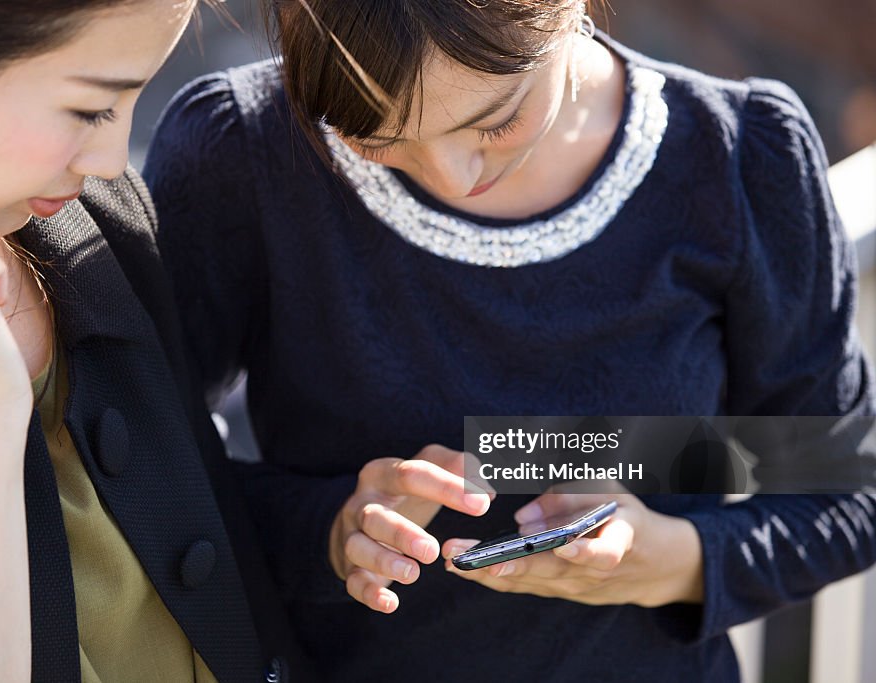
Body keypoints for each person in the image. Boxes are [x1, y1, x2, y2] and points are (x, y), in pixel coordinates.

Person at [145, 0, 876, 680]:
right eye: (377, 137)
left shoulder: (740, 157)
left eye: (496, 121)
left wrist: (674, 559)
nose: (454, 177)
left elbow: (845, 488)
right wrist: (327, 533)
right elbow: (143, 475)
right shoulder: (243, 152)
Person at [0, 2, 297, 682]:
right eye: (90, 109)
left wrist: (338, 529)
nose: (113, 157)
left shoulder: (100, 224)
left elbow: (212, 517)